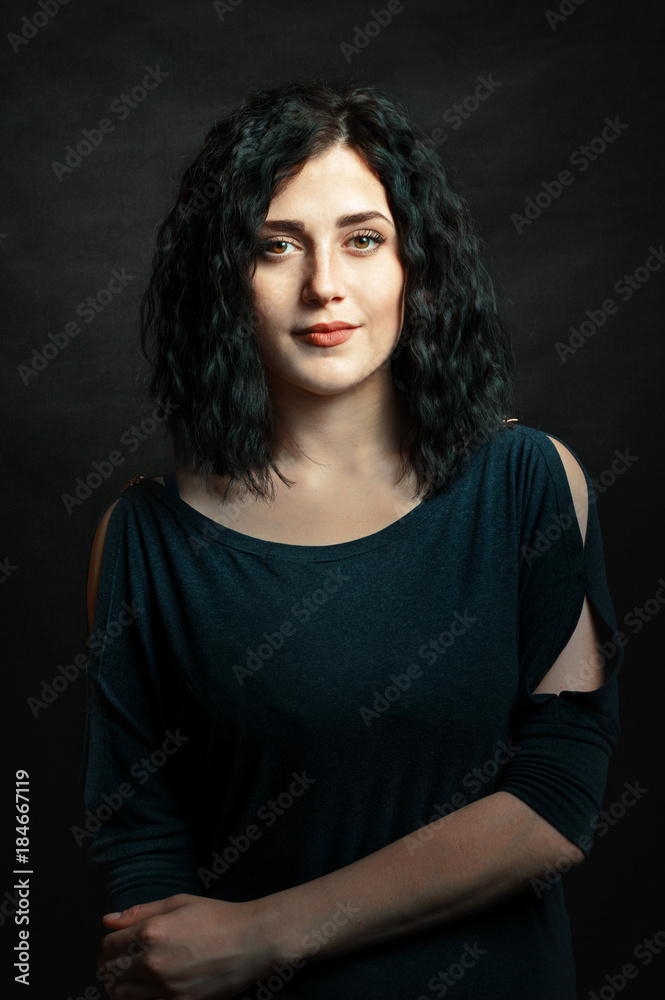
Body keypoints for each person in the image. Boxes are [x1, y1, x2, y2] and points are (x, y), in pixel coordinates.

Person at [82, 80, 623, 1000]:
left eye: (362, 239)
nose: (323, 285)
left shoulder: (528, 483)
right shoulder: (143, 539)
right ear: (223, 277)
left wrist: (262, 934)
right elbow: (143, 844)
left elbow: (555, 799)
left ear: (415, 261)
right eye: (276, 244)